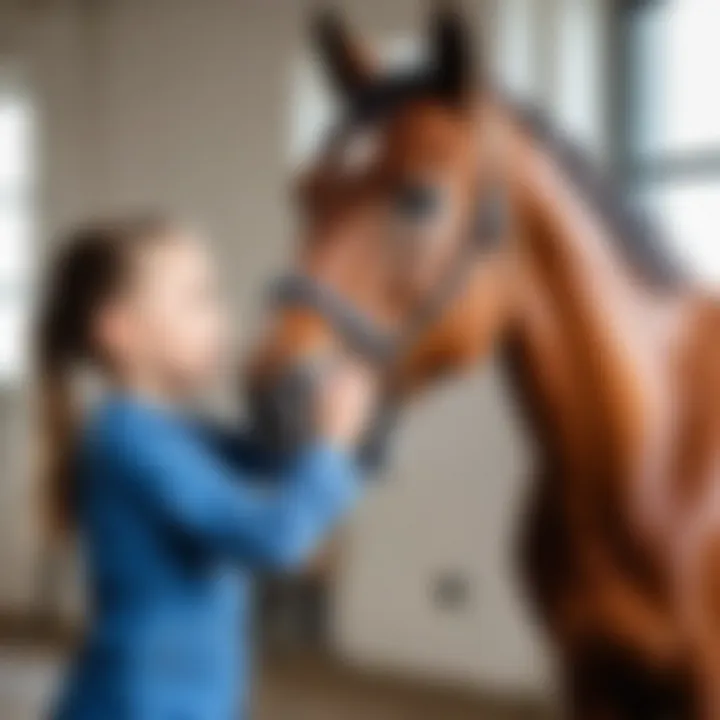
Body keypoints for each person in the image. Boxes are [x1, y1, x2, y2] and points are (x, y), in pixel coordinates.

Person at [37, 214, 374, 720]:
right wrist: (331, 449)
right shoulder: (130, 440)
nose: (221, 319)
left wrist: (336, 419)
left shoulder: (179, 431)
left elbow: (276, 459)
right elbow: (272, 538)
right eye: (197, 300)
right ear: (120, 331)